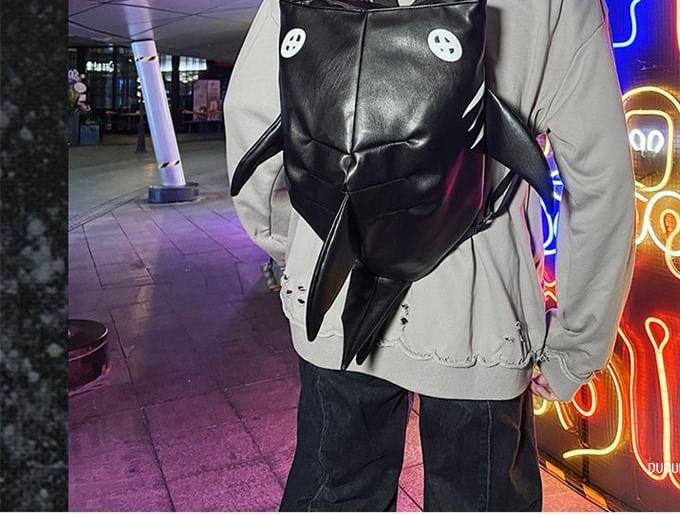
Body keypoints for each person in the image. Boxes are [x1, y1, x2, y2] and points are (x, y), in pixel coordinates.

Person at [226, 0, 636, 510]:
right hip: (479, 317)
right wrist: (576, 345)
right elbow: (601, 178)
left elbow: (250, 117)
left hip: (336, 295)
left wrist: (300, 250)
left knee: (335, 493)